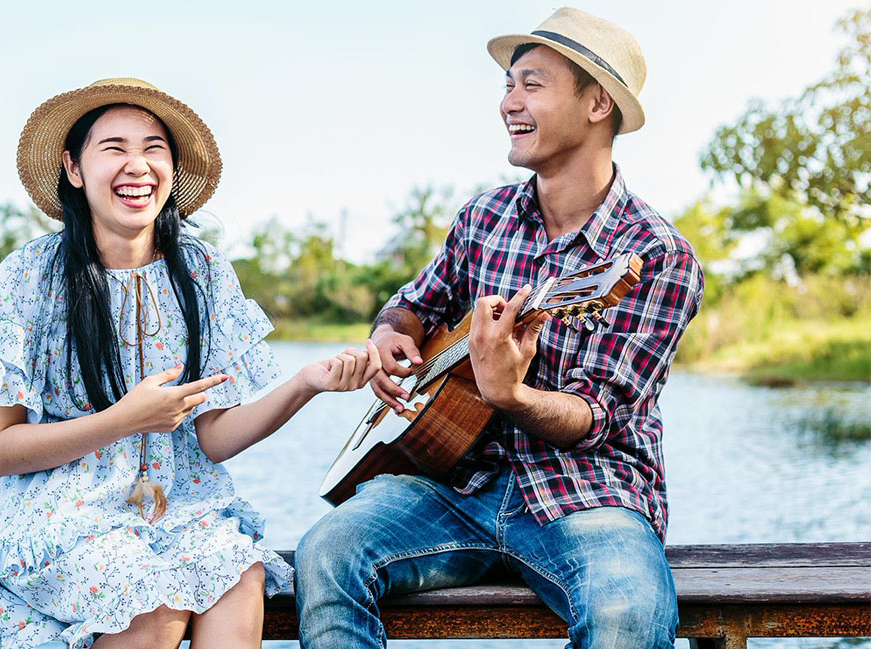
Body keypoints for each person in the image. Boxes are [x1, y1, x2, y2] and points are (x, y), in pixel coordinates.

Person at [295, 8, 704, 649]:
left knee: (628, 614)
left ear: (598, 103)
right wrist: (388, 335)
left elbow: (602, 414)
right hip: (452, 482)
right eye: (507, 86)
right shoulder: (483, 216)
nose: (507, 102)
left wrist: (510, 395)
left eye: (531, 84)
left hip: (589, 493)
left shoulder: (655, 254)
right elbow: (413, 304)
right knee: (325, 553)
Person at [0, 78, 380, 649]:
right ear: (73, 169)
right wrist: (125, 419)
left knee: (240, 578)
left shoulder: (202, 272)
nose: (138, 166)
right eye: (114, 148)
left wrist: (306, 384)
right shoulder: (29, 277)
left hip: (183, 505)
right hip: (61, 511)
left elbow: (215, 440)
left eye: (154, 148)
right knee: (156, 608)